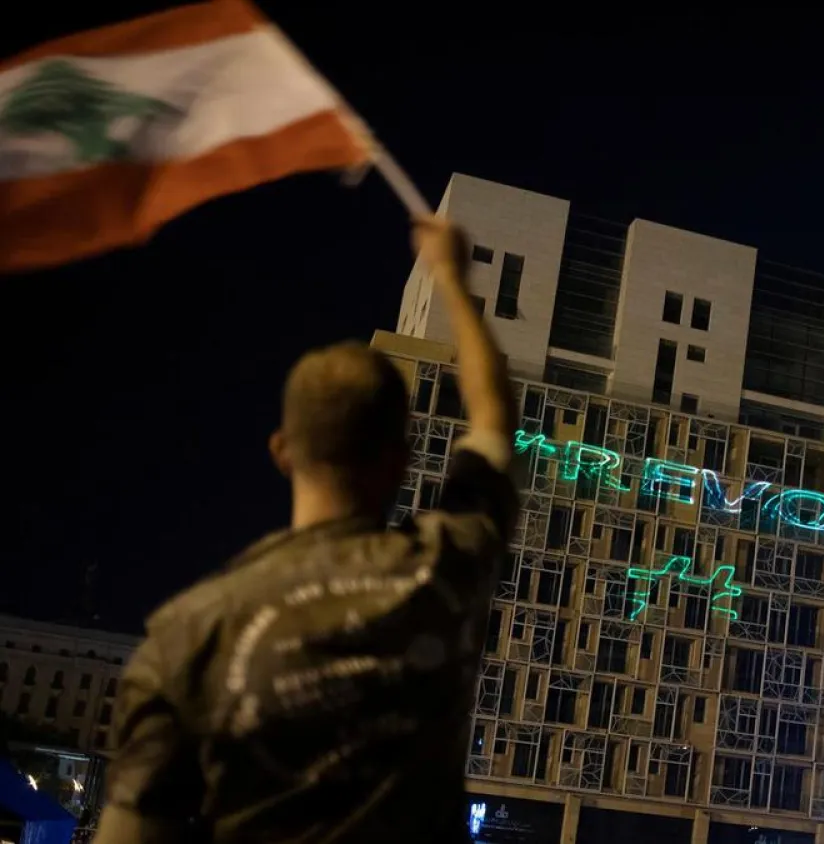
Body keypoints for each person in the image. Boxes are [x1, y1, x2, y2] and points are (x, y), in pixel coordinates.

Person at [94, 218, 518, 843]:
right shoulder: (444, 567)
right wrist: (453, 277)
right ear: (402, 460)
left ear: (281, 451)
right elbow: (494, 421)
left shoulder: (188, 635)